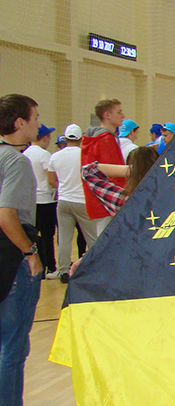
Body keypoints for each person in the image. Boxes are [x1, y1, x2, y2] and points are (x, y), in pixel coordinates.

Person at [77, 145, 160, 406]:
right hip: (169, 293)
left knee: (129, 367)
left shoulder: (125, 201)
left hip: (131, 296)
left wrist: (135, 170)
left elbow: (89, 172)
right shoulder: (173, 201)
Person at [0, 94, 53, 406]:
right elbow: (7, 216)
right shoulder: (15, 163)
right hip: (12, 258)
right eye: (34, 118)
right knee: (13, 345)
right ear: (19, 123)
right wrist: (30, 252)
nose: (38, 123)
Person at [47, 124, 105, 283]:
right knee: (92, 237)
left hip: (63, 201)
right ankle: (98, 266)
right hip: (82, 200)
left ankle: (63, 270)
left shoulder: (55, 156)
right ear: (81, 139)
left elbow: (51, 180)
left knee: (64, 238)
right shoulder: (85, 155)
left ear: (65, 138)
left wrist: (64, 188)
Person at [82, 99, 127, 229]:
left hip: (97, 200)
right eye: (119, 112)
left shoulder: (92, 139)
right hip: (108, 202)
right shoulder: (106, 139)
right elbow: (114, 174)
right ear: (107, 115)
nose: (123, 116)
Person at [24, 124, 57, 278]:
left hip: (31, 201)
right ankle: (50, 267)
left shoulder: (25, 153)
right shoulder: (44, 155)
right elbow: (50, 179)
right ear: (44, 138)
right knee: (47, 236)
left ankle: (35, 269)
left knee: (32, 236)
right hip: (45, 201)